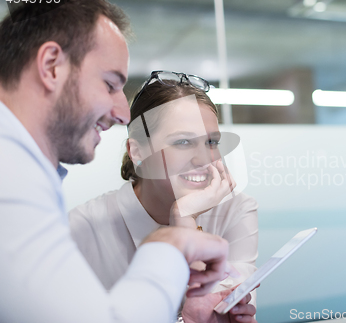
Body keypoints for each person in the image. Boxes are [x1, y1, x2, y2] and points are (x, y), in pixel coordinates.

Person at [0, 0, 255, 322]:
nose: (123, 113)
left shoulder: (24, 174)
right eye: (109, 84)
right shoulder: (10, 175)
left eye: (210, 141)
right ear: (51, 66)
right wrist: (171, 243)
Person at [68, 72, 259, 313]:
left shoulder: (236, 209)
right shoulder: (83, 229)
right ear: (137, 152)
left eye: (211, 143)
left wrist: (186, 220)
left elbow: (223, 314)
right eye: (183, 142)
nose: (204, 159)